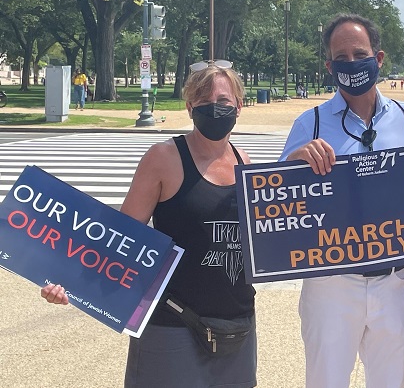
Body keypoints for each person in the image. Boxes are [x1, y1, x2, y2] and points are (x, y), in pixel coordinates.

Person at [41, 62, 258, 388]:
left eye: (224, 101)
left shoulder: (246, 163)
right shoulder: (163, 158)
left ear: (239, 106)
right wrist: (67, 281)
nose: (215, 107)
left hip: (237, 323)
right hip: (173, 325)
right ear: (189, 107)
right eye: (203, 99)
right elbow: (118, 239)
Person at [279, 13, 404, 388]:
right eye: (341, 57)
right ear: (329, 65)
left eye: (360, 53)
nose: (352, 63)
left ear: (379, 58)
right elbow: (275, 197)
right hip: (331, 280)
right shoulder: (311, 122)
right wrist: (295, 161)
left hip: (394, 277)